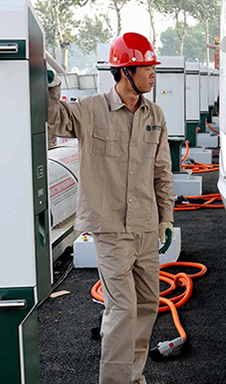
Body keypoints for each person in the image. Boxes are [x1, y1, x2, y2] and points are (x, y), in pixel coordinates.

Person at [47, 32, 174, 384]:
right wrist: (51, 84)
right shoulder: (91, 110)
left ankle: (132, 377)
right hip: (110, 228)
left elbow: (162, 171)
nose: (153, 73)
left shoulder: (155, 115)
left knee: (147, 304)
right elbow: (54, 118)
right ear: (125, 71)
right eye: (147, 67)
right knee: (122, 309)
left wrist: (166, 218)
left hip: (145, 226)